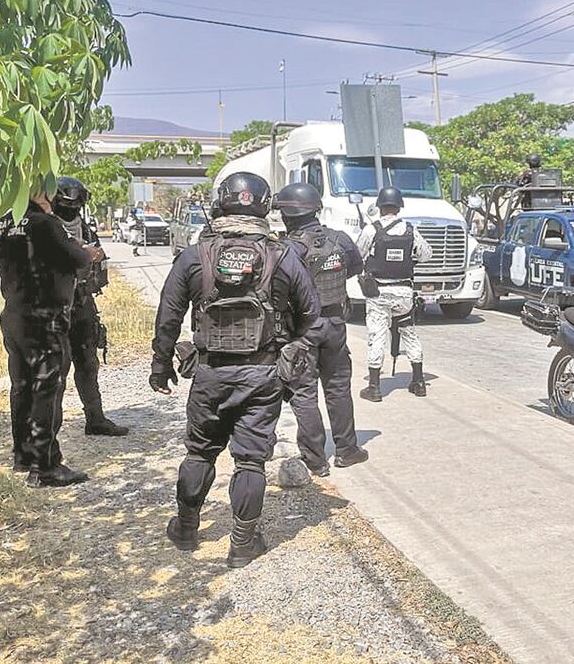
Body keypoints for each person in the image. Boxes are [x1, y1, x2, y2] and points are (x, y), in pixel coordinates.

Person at [151, 172, 319, 568]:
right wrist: (292, 354)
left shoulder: (195, 255)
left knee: (199, 452)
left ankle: (187, 528)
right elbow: (313, 318)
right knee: (250, 461)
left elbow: (169, 316)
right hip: (262, 376)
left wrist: (161, 365)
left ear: (219, 203)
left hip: (209, 375)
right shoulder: (282, 256)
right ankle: (242, 544)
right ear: (264, 205)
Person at [0, 192, 102, 487]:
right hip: (44, 318)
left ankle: (24, 456)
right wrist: (86, 252)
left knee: (22, 386)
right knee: (46, 390)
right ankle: (46, 466)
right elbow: (78, 260)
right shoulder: (44, 224)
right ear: (37, 193)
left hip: (13, 315)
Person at [273, 182, 369, 477]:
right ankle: (347, 449)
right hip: (336, 325)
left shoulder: (286, 249)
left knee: (304, 392)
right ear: (315, 210)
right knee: (338, 387)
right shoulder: (340, 239)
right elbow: (355, 267)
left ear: (288, 216)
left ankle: (316, 460)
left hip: (302, 330)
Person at [51, 177, 129, 436]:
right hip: (55, 308)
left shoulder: (84, 228)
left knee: (87, 364)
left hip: (83, 304)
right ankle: (51, 431)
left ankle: (95, 419)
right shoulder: (47, 229)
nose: (73, 211)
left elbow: (98, 259)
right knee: (57, 370)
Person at [355, 187, 432, 402]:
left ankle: (374, 387)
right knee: (409, 333)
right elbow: (426, 255)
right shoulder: (410, 230)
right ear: (399, 207)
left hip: (379, 292)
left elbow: (357, 253)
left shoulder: (372, 230)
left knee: (377, 336)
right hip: (404, 293)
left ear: (380, 207)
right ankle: (418, 382)